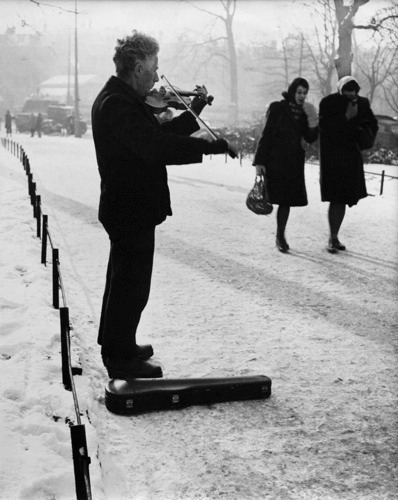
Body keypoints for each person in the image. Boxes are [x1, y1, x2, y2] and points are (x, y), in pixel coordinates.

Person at [91, 30, 234, 380]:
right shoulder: (118, 104)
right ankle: (120, 357)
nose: (158, 76)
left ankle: (118, 343)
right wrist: (206, 147)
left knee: (125, 280)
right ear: (138, 67)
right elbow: (154, 148)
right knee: (131, 284)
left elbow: (158, 137)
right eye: (154, 67)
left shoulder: (122, 98)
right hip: (129, 206)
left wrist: (194, 111)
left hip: (130, 205)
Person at [253, 77, 318, 253]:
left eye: (305, 93)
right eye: (299, 92)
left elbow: (310, 137)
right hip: (275, 160)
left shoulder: (305, 112)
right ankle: (279, 234)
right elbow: (266, 135)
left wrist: (314, 121)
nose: (302, 96)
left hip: (294, 162)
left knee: (286, 201)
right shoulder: (277, 108)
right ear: (292, 91)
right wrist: (259, 161)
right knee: (274, 197)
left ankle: (280, 235)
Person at [319, 76, 378, 253]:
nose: (351, 95)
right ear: (340, 90)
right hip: (334, 159)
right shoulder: (328, 103)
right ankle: (332, 237)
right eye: (347, 92)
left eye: (353, 92)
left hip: (351, 159)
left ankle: (334, 236)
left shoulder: (363, 103)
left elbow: (371, 125)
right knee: (337, 198)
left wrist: (362, 136)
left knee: (344, 199)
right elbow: (326, 129)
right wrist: (347, 117)